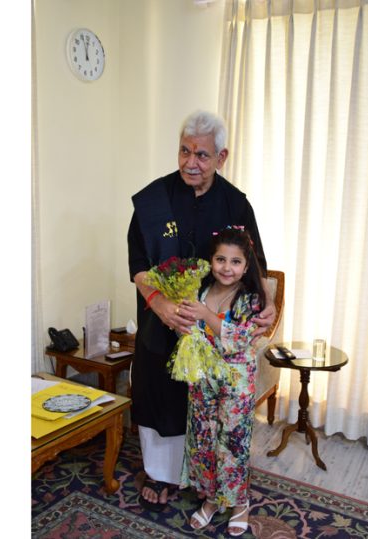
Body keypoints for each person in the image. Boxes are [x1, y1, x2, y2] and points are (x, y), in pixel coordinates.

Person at [127, 110, 276, 511]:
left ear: (222, 157)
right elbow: (139, 265)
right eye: (185, 151)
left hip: (214, 327)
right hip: (162, 318)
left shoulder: (235, 203)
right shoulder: (153, 199)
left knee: (206, 402)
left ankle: (203, 477)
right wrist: (160, 305)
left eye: (203, 155)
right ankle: (160, 474)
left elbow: (257, 261)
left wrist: (271, 303)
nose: (191, 162)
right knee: (159, 388)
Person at [178, 226, 265, 536]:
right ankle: (214, 500)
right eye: (220, 259)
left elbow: (237, 341)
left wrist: (205, 314)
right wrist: (186, 324)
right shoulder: (200, 291)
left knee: (231, 444)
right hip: (203, 377)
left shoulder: (249, 298)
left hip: (236, 383)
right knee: (204, 439)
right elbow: (188, 331)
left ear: (246, 265)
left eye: (236, 261)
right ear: (210, 260)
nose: (227, 268)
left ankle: (239, 501)